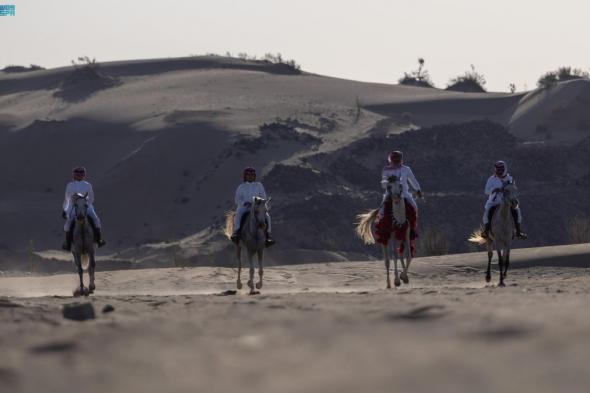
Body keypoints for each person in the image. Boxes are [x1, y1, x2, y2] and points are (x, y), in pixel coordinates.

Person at [62, 166, 106, 250]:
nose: (79, 176)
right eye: (77, 174)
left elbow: (92, 197)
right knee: (67, 224)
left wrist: (86, 204)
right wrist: (65, 210)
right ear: (74, 175)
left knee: (96, 220)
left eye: (81, 174)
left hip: (86, 206)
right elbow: (67, 199)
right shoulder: (70, 185)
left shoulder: (87, 185)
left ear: (84, 175)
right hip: (73, 207)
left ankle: (99, 240)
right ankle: (68, 244)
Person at [481, 160, 527, 239]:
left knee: (517, 211)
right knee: (487, 212)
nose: (498, 171)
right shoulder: (491, 179)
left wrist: (508, 191)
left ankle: (518, 231)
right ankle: (486, 231)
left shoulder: (510, 178)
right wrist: (494, 189)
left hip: (507, 201)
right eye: (497, 169)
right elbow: (486, 191)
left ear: (504, 169)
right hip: (494, 202)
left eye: (500, 169)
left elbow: (513, 189)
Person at [230, 167, 275, 247]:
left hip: (256, 206)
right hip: (244, 207)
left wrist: (257, 202)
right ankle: (236, 233)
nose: (250, 176)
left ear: (254, 176)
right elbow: (237, 199)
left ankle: (268, 236)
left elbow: (264, 196)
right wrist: (244, 203)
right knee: (238, 215)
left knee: (267, 217)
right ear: (245, 176)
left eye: (252, 175)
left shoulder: (259, 185)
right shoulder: (241, 187)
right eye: (248, 175)